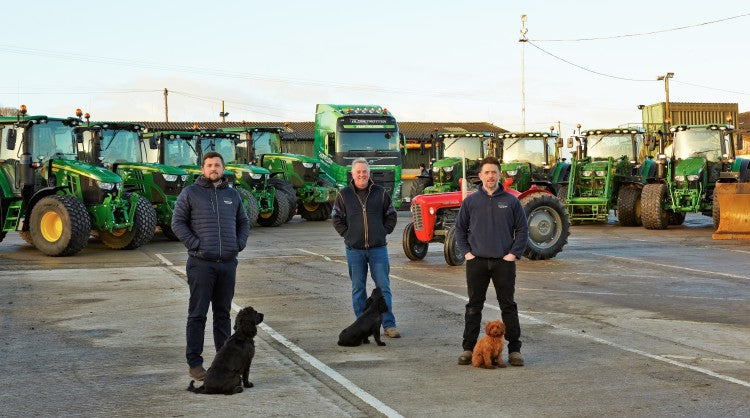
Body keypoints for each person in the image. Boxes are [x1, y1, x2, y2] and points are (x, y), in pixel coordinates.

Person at [171, 151, 251, 381]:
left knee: (223, 315)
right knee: (197, 315)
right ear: (202, 169)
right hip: (201, 264)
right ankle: (195, 364)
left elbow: (243, 222)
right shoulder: (190, 193)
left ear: (223, 169)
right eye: (209, 165)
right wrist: (197, 245)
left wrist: (238, 244)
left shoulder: (233, 195)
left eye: (217, 165)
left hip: (227, 264)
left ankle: (222, 361)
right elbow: (177, 223)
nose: (213, 168)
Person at [454, 156, 528, 367]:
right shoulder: (470, 202)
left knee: (508, 306)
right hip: (476, 262)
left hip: (503, 262)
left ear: (499, 175)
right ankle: (468, 349)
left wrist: (513, 254)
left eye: (494, 172)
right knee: (473, 306)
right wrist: (467, 253)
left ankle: (514, 350)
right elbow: (460, 229)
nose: (490, 176)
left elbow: (522, 230)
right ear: (480, 176)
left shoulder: (511, 201)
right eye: (486, 172)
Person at [332, 158, 400, 338]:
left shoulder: (381, 193)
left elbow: (391, 214)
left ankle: (389, 325)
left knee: (383, 287)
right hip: (355, 250)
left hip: (378, 249)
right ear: (352, 174)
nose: (361, 175)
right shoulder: (344, 194)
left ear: (369, 174)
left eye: (364, 172)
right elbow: (336, 218)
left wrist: (382, 232)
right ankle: (361, 326)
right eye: (358, 172)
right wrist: (349, 235)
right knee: (358, 288)